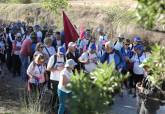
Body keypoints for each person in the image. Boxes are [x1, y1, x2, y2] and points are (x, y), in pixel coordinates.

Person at [47, 46, 66, 113]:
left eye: (62, 54)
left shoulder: (64, 57)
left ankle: (58, 108)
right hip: (54, 79)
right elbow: (48, 68)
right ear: (57, 52)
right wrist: (57, 68)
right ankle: (50, 108)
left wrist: (64, 67)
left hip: (61, 79)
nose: (61, 55)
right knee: (54, 94)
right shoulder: (53, 57)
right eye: (60, 53)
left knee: (60, 94)